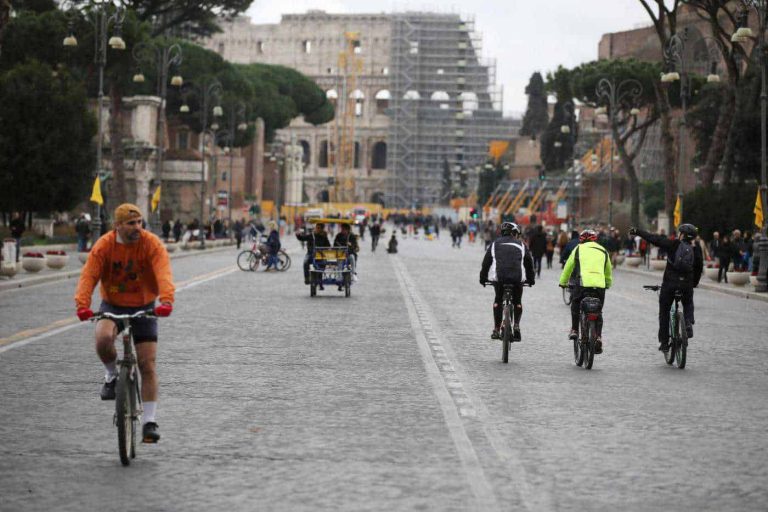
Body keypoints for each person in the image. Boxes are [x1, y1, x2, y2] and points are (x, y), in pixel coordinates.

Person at [74, 203, 174, 443]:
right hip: (114, 303)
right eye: (131, 223)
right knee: (102, 338)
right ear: (117, 225)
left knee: (147, 364)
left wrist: (167, 300)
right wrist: (82, 305)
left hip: (145, 305)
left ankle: (149, 421)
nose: (137, 227)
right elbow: (89, 275)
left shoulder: (151, 243)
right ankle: (110, 375)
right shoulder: (105, 246)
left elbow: (163, 271)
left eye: (139, 222)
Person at [630, 224, 703, 352]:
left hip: (670, 284)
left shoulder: (673, 244)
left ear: (682, 235)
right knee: (688, 303)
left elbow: (654, 239)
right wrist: (694, 283)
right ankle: (688, 323)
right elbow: (699, 267)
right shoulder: (696, 249)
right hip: (686, 284)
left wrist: (638, 231)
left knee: (664, 311)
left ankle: (664, 342)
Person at [559, 229, 613, 354]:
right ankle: (598, 337)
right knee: (598, 311)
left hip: (583, 284)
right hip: (599, 285)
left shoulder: (578, 249)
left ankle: (574, 330)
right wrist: (608, 284)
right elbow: (608, 270)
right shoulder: (603, 250)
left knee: (575, 304)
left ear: (581, 240)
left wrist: (562, 282)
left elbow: (568, 267)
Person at [479, 222, 535, 341]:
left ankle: (496, 328)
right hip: (516, 279)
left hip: (499, 278)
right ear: (514, 233)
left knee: (498, 300)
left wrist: (483, 278)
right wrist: (531, 279)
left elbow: (486, 263)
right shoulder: (521, 244)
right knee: (517, 301)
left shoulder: (494, 244)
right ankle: (516, 326)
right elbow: (529, 264)